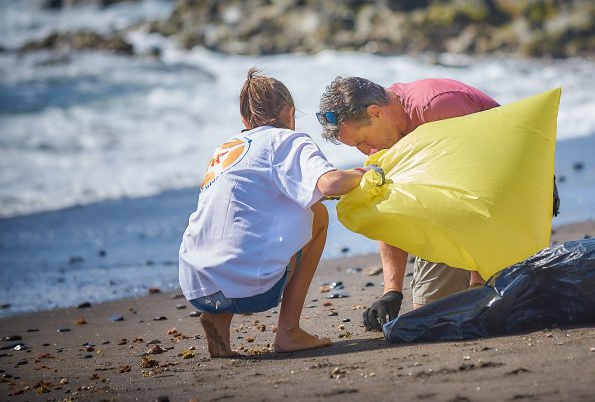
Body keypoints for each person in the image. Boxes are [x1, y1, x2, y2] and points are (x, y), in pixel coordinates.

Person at [179, 68, 368, 358]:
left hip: (197, 284)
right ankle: (289, 331)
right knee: (317, 214)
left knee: (244, 222)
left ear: (245, 121)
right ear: (290, 114)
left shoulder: (225, 149)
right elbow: (330, 183)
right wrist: (366, 173)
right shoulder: (288, 140)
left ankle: (218, 320)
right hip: (250, 291)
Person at [316, 77, 503, 331]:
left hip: (507, 191)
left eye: (362, 141)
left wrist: (478, 284)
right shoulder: (383, 141)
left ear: (375, 112)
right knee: (430, 316)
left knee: (488, 307)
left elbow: (480, 178)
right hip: (449, 209)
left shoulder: (437, 106)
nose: (365, 150)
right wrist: (392, 291)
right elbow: (392, 211)